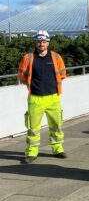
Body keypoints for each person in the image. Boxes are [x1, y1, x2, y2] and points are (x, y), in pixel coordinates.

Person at [17, 30, 67, 164]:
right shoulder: (28, 58)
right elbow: (21, 75)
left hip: (54, 97)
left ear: (48, 42)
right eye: (39, 41)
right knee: (33, 128)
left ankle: (58, 149)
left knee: (56, 125)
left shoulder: (56, 57)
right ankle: (32, 153)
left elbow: (62, 73)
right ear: (35, 42)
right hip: (35, 98)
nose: (41, 44)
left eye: (44, 41)